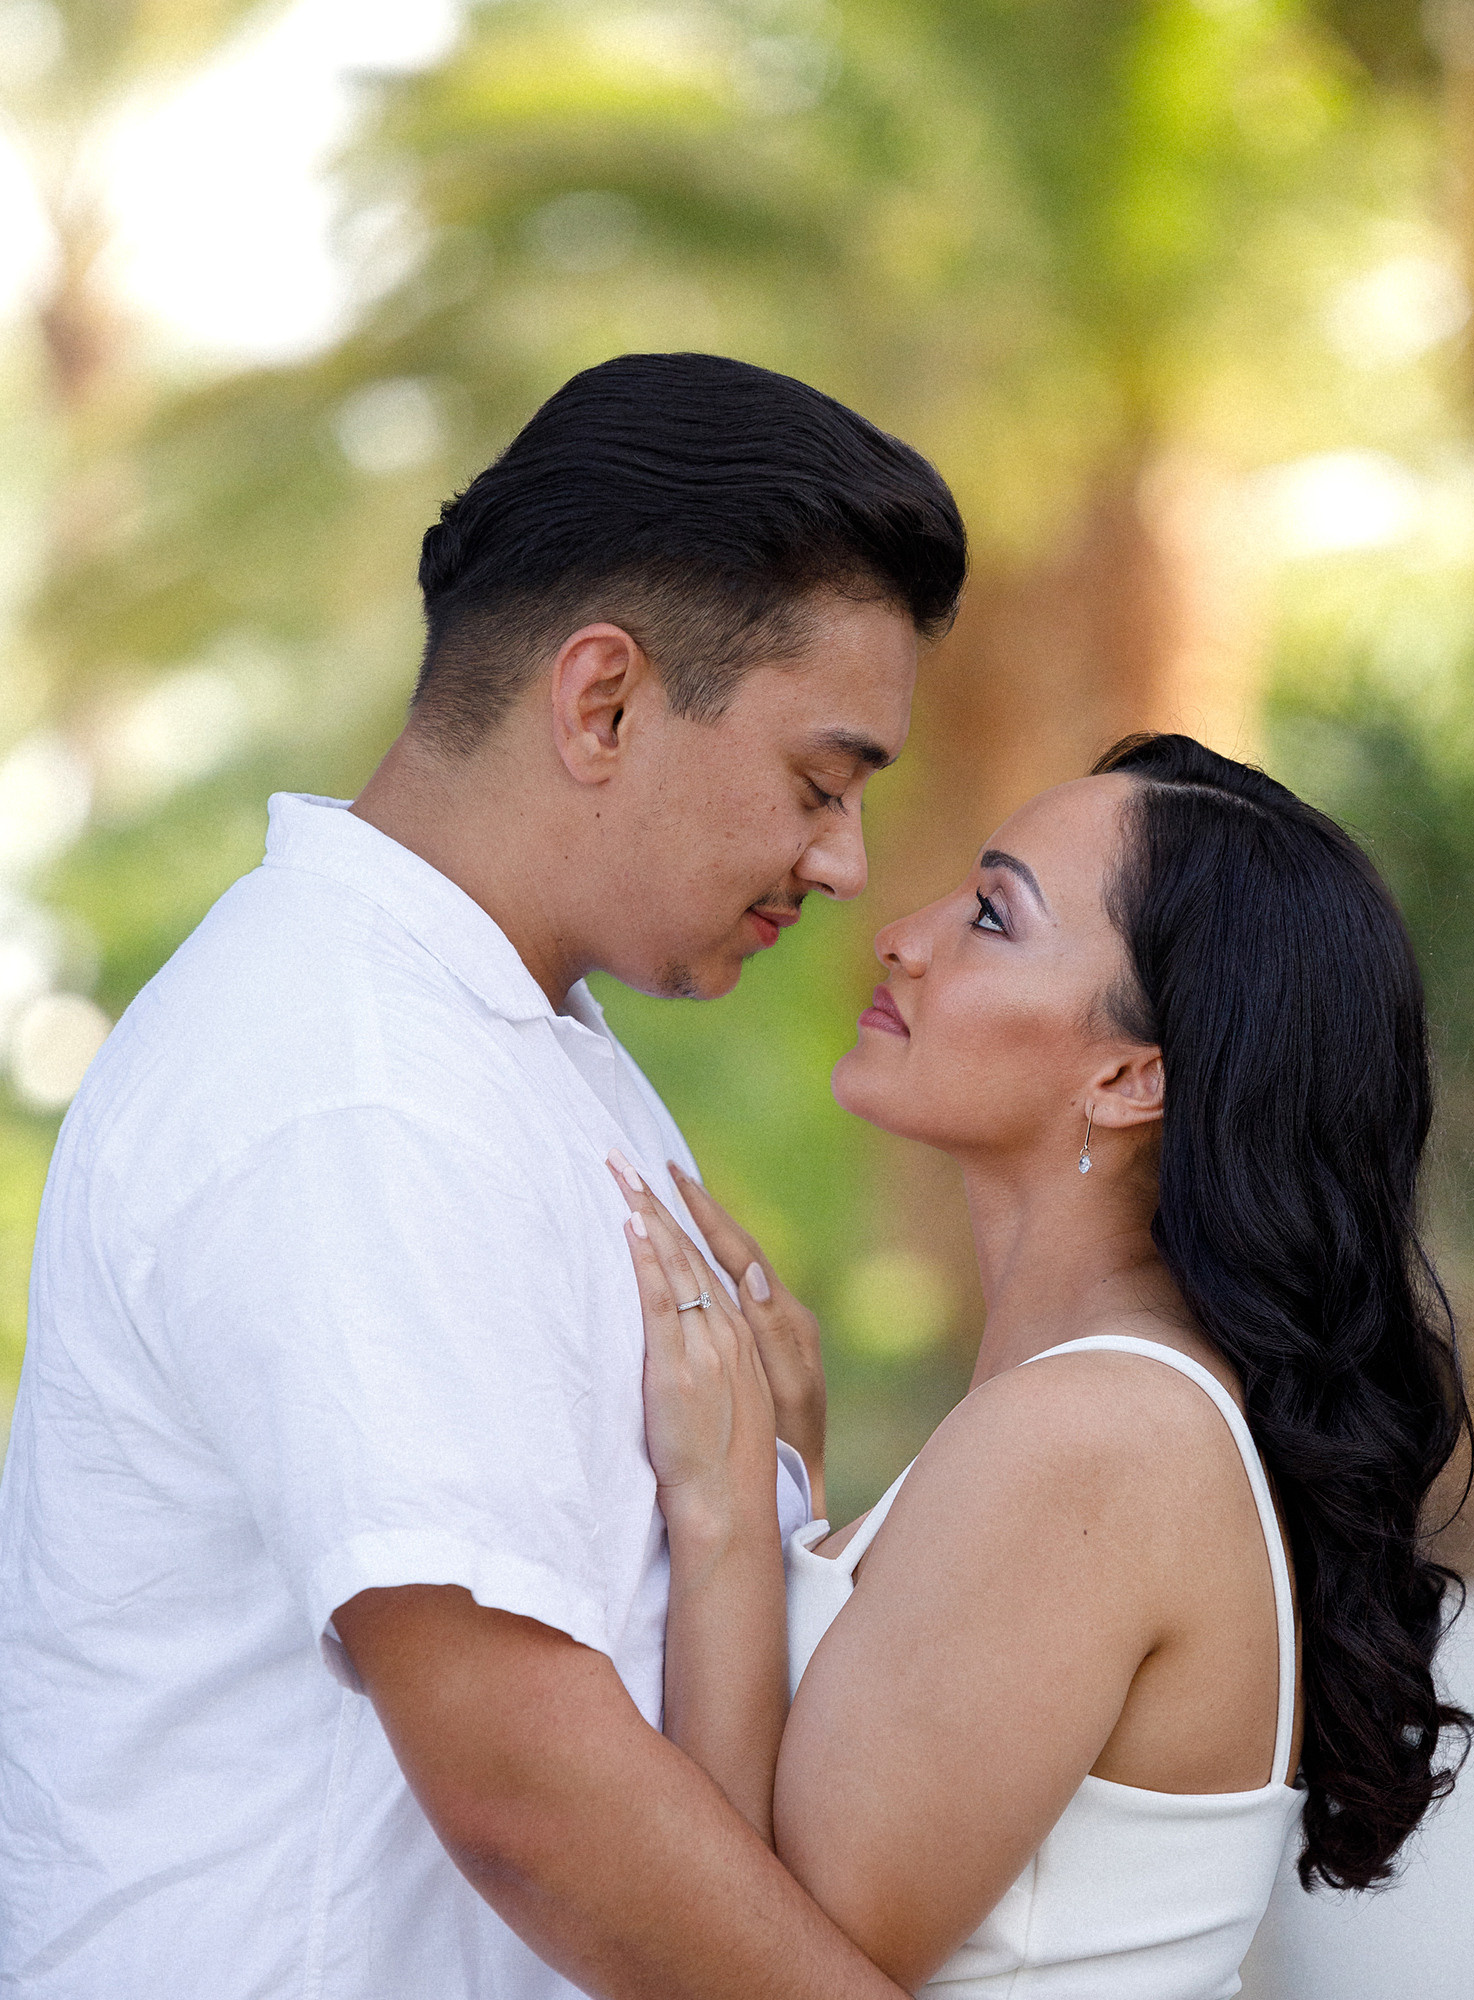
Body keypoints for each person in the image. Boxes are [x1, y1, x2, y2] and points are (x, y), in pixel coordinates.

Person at [0, 352, 968, 1998]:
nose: (842, 862)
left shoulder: (510, 1038)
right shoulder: (354, 1082)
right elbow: (530, 1794)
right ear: (600, 701)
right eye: (819, 782)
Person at [613, 734, 1474, 1998]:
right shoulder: (1094, 1413)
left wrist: (732, 1513)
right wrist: (789, 1470)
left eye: (989, 915)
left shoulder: (1099, 1434)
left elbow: (768, 1959)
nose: (902, 932)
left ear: (1130, 1077)